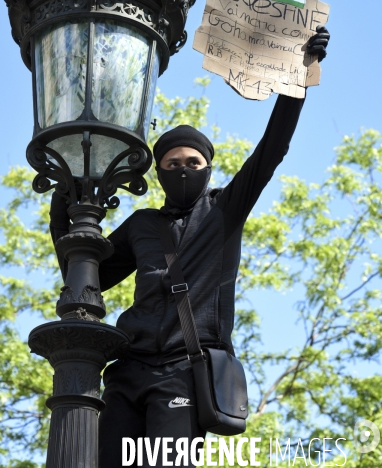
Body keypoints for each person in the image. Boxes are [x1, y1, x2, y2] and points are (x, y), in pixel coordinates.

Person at [49, 26, 330, 467]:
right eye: (173, 164)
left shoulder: (224, 212)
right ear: (159, 172)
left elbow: (272, 148)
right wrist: (61, 207)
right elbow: (84, 276)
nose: (184, 169)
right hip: (127, 369)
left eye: (193, 163)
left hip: (183, 373)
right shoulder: (141, 225)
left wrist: (300, 76)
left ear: (208, 168)